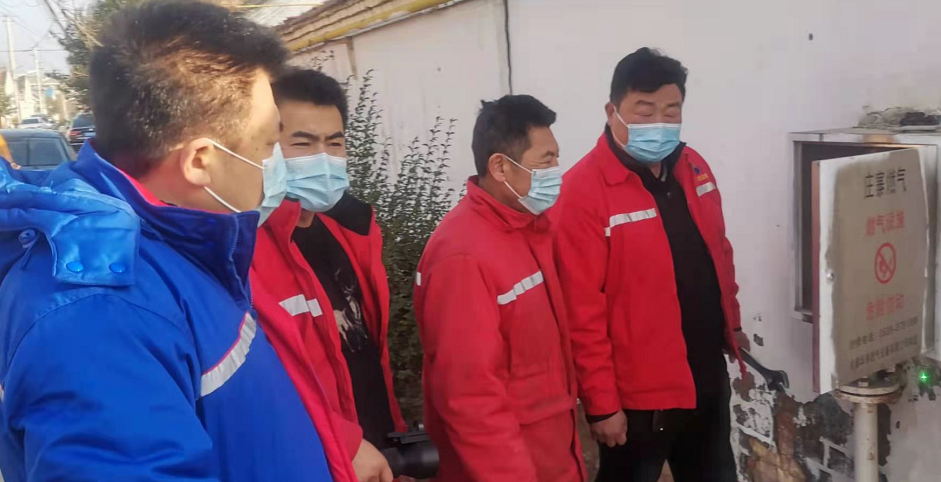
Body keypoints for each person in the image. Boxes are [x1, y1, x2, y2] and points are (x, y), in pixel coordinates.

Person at [0, 2, 353, 481]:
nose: (278, 166)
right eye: (269, 145)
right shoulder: (99, 313)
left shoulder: (180, 247)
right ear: (200, 161)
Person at [553, 47, 749, 482]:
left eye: (671, 111)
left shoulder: (693, 167)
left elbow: (719, 252)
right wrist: (602, 405)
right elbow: (580, 311)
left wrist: (731, 323)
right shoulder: (582, 193)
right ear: (612, 111)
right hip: (639, 397)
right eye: (644, 111)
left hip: (705, 373)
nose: (659, 123)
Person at [414, 95, 586, 482]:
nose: (556, 172)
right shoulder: (462, 257)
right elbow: (470, 397)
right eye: (545, 160)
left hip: (551, 454)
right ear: (500, 167)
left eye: (556, 159)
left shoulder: (527, 227)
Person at [249, 68, 406, 482]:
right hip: (313, 461)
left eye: (334, 142)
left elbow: (368, 356)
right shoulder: (244, 250)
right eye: (303, 143)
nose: (323, 157)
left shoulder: (352, 232)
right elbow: (259, 386)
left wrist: (393, 438)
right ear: (265, 146)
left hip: (378, 456)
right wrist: (344, 442)